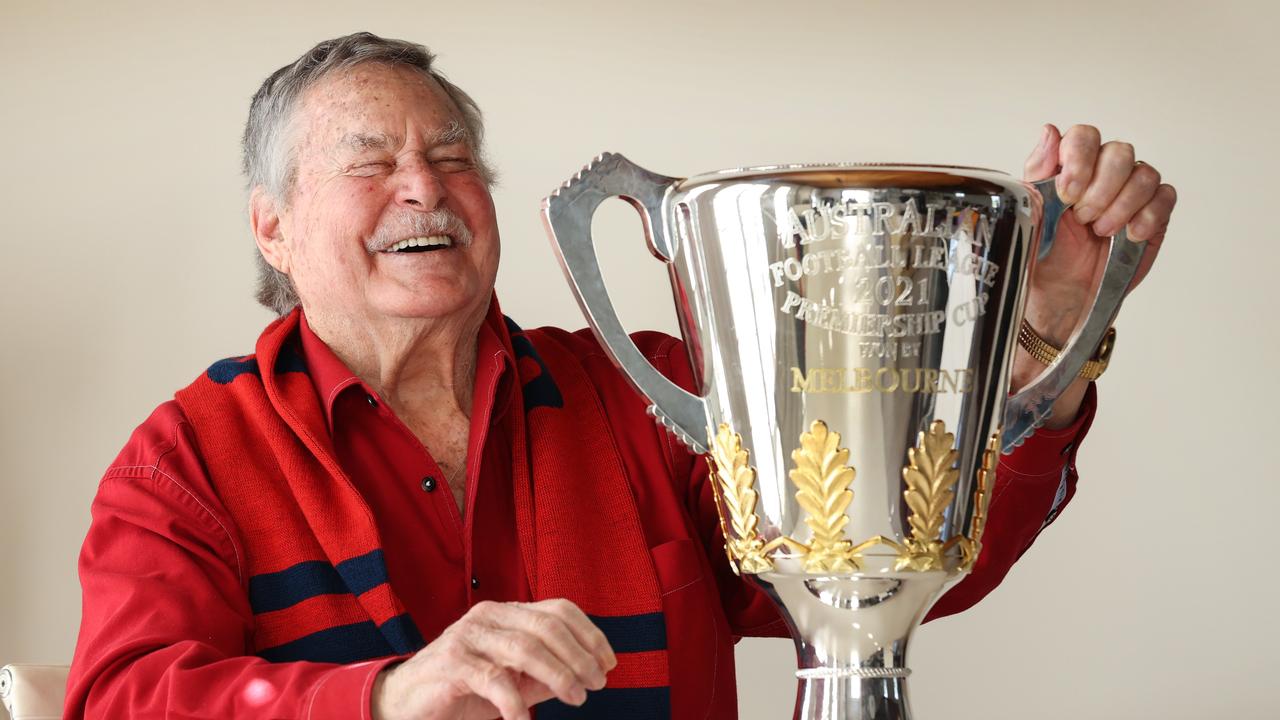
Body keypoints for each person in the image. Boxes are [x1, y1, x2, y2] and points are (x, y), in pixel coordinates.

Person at [64, 32, 1176, 720]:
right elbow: (118, 704)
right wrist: (386, 701)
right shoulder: (189, 458)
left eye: (453, 157)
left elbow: (880, 567)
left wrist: (1041, 338)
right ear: (272, 227)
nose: (424, 187)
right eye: (371, 161)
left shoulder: (647, 397)